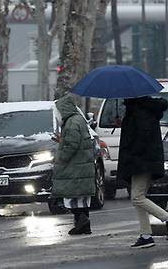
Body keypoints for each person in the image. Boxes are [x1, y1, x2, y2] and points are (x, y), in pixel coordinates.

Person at [118, 95, 168, 249]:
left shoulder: (139, 112)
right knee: (139, 197)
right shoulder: (142, 109)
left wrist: (131, 155)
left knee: (137, 198)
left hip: (142, 162)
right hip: (145, 161)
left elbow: (140, 139)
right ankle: (146, 235)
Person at [51, 94, 95, 235]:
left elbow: (72, 144)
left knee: (72, 195)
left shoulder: (71, 123)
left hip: (75, 166)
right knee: (81, 197)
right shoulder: (78, 120)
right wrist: (61, 141)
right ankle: (84, 225)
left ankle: (81, 221)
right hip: (82, 165)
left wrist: (60, 158)